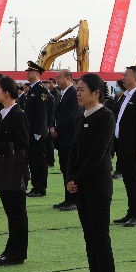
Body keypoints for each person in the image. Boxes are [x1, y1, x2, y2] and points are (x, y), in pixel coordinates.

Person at [65, 74, 117, 272]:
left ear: (96, 93)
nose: (78, 93)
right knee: (89, 236)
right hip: (81, 184)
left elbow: (97, 155)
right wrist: (69, 178)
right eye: (77, 89)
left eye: (82, 89)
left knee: (100, 235)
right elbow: (74, 151)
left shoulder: (105, 116)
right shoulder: (82, 115)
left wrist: (77, 179)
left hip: (98, 184)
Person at [0, 75, 31, 265]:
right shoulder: (4, 112)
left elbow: (23, 142)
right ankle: (11, 248)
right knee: (11, 213)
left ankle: (17, 253)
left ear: (6, 93)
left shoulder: (18, 114)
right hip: (5, 168)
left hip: (15, 169)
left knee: (17, 213)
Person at [112, 65, 136, 227]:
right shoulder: (126, 96)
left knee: (135, 181)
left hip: (134, 148)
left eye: (125, 75)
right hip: (123, 145)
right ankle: (131, 212)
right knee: (128, 181)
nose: (123, 77)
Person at [50, 69, 82, 212]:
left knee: (71, 169)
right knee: (65, 169)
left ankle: (73, 200)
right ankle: (68, 198)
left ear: (68, 78)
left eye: (59, 77)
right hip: (63, 138)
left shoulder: (73, 93)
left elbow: (70, 116)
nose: (57, 80)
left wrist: (57, 129)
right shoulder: (64, 93)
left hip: (69, 138)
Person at [20, 62, 51, 199]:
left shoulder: (41, 90)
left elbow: (42, 112)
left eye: (30, 71)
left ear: (37, 74)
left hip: (36, 132)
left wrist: (39, 131)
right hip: (30, 131)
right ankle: (35, 186)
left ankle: (40, 187)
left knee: (39, 160)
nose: (27, 73)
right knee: (32, 159)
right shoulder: (32, 90)